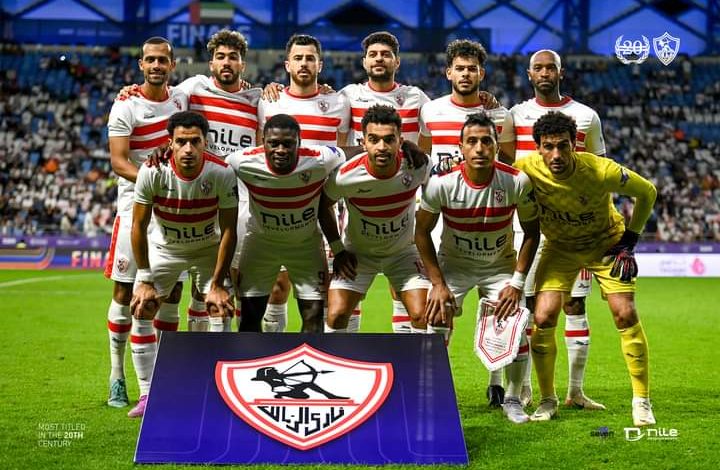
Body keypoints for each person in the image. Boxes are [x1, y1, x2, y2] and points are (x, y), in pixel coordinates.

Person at [514, 111, 657, 426]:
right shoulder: (525, 169)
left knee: (625, 313)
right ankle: (548, 400)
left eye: (563, 146)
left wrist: (630, 240)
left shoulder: (601, 170)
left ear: (574, 145)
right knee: (543, 316)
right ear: (538, 147)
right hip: (560, 248)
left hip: (606, 244)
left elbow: (647, 191)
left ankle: (641, 401)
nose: (556, 154)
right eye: (548, 146)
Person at [415, 112, 540, 424]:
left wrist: (517, 282)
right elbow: (421, 233)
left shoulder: (516, 181)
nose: (480, 148)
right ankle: (435, 399)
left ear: (497, 146)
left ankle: (513, 399)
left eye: (486, 141)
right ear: (461, 148)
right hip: (454, 266)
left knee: (516, 327)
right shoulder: (441, 184)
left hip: (499, 267)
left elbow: (532, 232)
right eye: (472, 142)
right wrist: (438, 283)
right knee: (436, 320)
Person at [418, 39, 514, 406]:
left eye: (472, 68)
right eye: (460, 68)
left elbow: (508, 162)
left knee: (498, 310)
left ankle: (497, 383)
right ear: (448, 72)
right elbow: (423, 158)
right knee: (437, 308)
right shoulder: (431, 111)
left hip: (487, 215)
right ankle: (434, 388)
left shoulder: (500, 115)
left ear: (481, 74)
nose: (466, 74)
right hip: (445, 214)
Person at [510, 49, 607, 409]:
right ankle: (525, 389)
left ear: (560, 72)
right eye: (538, 68)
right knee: (527, 306)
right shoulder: (514, 115)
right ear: (529, 74)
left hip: (573, 228)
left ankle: (575, 392)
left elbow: (599, 170)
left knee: (575, 303)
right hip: (528, 225)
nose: (545, 72)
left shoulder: (586, 116)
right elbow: (506, 166)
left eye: (551, 67)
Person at [129, 111, 238, 418]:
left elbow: (229, 230)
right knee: (142, 306)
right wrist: (145, 278)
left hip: (206, 249)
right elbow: (138, 226)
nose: (188, 149)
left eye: (195, 142)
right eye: (181, 142)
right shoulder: (152, 171)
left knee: (219, 307)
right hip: (164, 249)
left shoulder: (221, 172)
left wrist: (217, 284)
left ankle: (217, 391)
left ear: (206, 143)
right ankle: (148, 393)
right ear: (170, 143)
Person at [105, 36, 187, 410]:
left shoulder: (182, 99)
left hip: (172, 212)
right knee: (125, 294)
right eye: (150, 60)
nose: (156, 65)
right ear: (141, 64)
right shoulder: (126, 104)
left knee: (171, 294)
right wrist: (154, 183)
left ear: (172, 64)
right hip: (134, 210)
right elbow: (119, 161)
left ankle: (164, 378)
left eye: (162, 60)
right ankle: (116, 376)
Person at [256, 34, 350, 333]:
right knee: (277, 287)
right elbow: (261, 151)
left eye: (310, 58)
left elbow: (343, 152)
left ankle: (319, 353)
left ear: (320, 65)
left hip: (325, 207)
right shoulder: (270, 101)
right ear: (287, 65)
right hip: (281, 207)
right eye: (298, 58)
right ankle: (276, 351)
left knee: (322, 290)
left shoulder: (338, 103)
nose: (304, 63)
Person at [340, 31, 431, 333]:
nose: (379, 58)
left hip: (402, 194)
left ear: (397, 62)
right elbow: (340, 145)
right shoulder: (348, 96)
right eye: (373, 54)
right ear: (364, 61)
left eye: (386, 54)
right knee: (351, 284)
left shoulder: (416, 97)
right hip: (359, 195)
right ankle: (348, 350)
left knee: (400, 285)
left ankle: (402, 347)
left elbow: (432, 135)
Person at [225, 114, 345, 333]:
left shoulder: (320, 159)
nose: (280, 150)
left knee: (314, 316)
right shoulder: (242, 161)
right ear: (263, 142)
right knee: (249, 318)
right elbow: (211, 165)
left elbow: (352, 153)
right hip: (260, 245)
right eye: (273, 143)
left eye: (288, 144)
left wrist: (404, 149)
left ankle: (306, 355)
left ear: (299, 142)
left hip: (306, 246)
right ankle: (256, 356)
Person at [176, 29, 261, 332]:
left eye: (233, 57)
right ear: (211, 63)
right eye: (220, 57)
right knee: (201, 287)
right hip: (200, 200)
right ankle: (202, 352)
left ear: (242, 64)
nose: (226, 62)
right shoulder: (193, 89)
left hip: (239, 202)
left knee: (235, 281)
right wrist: (131, 90)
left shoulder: (257, 100)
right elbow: (160, 100)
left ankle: (234, 351)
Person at [321, 104, 431, 333]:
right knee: (336, 314)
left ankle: (415, 359)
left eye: (389, 139)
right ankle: (340, 358)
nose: (382, 147)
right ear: (363, 142)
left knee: (424, 314)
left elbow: (438, 199)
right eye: (374, 139)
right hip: (359, 255)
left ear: (400, 141)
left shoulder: (418, 165)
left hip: (402, 254)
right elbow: (323, 206)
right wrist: (338, 250)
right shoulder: (345, 176)